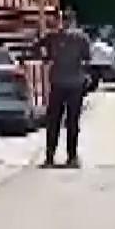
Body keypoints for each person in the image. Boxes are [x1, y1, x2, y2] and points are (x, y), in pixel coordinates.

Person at [41, 10, 93, 169]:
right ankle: (72, 157)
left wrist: (49, 58)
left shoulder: (52, 37)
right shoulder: (81, 38)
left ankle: (50, 157)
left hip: (57, 83)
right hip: (75, 84)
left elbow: (39, 50)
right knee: (72, 122)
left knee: (53, 121)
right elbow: (87, 58)